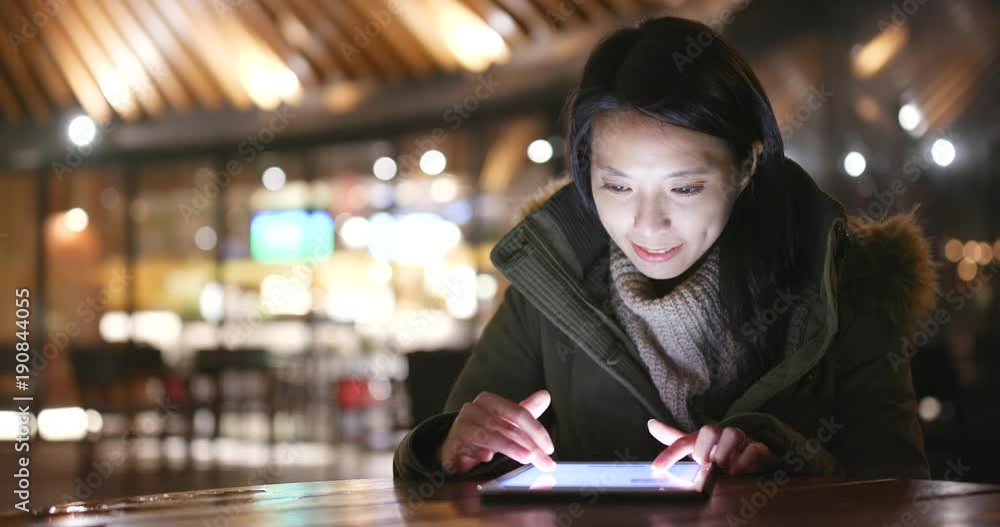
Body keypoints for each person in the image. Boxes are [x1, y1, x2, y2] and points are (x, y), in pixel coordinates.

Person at [394, 16, 936, 481]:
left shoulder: (843, 278)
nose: (647, 224)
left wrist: (782, 463)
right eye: (618, 186)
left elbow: (900, 486)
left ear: (746, 166)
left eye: (685, 188)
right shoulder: (551, 281)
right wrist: (449, 449)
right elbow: (446, 461)